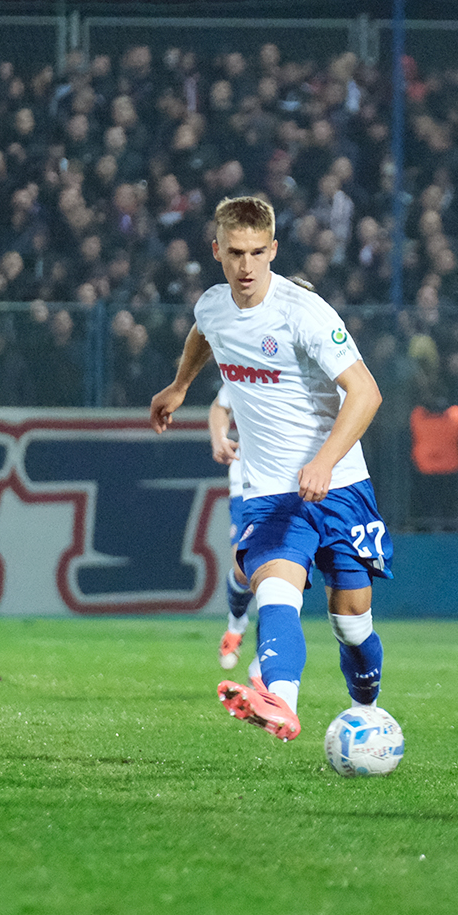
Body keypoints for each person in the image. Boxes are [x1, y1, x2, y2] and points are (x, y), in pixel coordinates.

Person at [151, 195, 390, 741]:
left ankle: (369, 710)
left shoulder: (303, 312)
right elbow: (204, 334)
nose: (246, 266)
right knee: (275, 589)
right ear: (217, 250)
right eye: (235, 253)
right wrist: (180, 385)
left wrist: (325, 460)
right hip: (271, 494)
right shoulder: (212, 306)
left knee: (351, 625)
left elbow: (366, 393)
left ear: (274, 250)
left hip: (340, 485)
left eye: (258, 252)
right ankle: (279, 701)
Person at [209, 386, 254, 671]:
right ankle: (236, 624)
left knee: (283, 575)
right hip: (247, 481)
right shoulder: (246, 362)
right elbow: (219, 407)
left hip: (294, 482)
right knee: (244, 569)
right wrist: (219, 439)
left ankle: (264, 668)